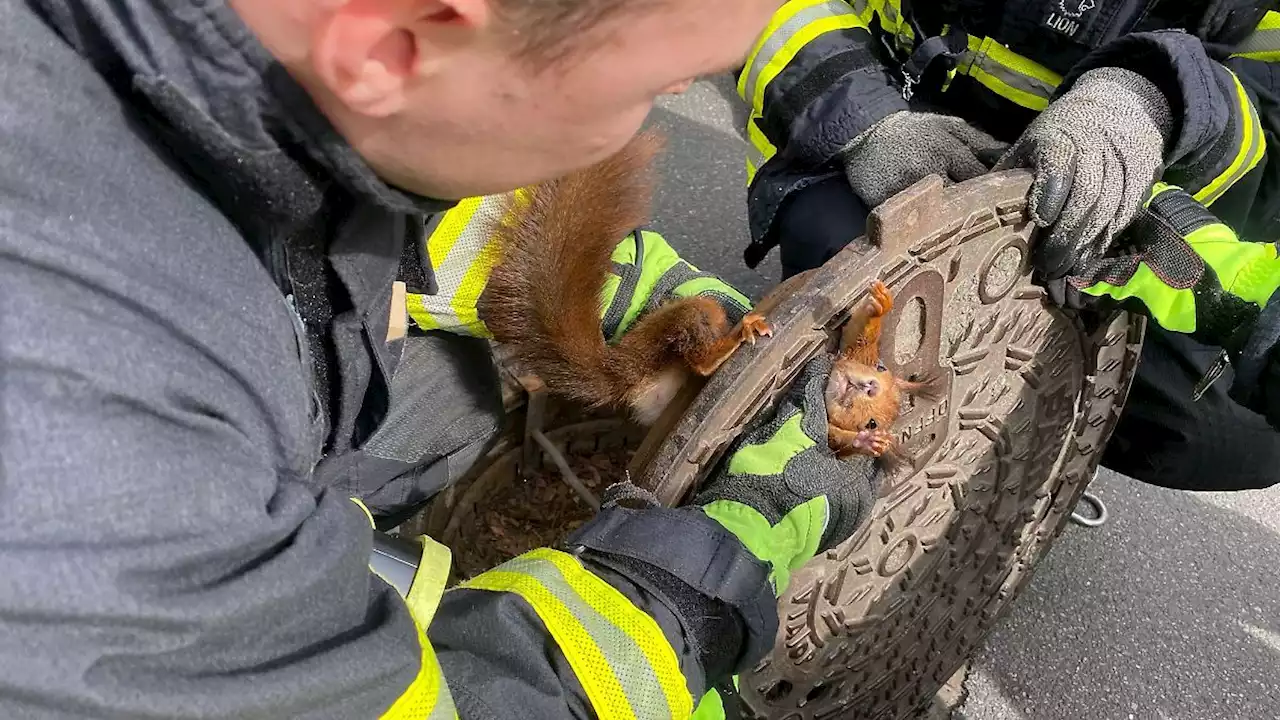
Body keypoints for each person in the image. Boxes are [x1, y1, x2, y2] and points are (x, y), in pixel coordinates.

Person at [0, 0, 875, 718]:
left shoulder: (248, 58)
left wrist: (618, 295)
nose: (680, 92)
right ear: (389, 46)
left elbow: (420, 197)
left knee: (451, 393)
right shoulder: (98, 460)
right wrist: (702, 581)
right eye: (653, 84)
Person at [736, 0, 1280, 491]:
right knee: (858, 287)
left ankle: (1006, 447)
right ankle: (814, 460)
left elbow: (1271, 115)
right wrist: (862, 121)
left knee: (1216, 429)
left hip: (1095, 184)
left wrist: (1154, 103)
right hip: (890, 124)